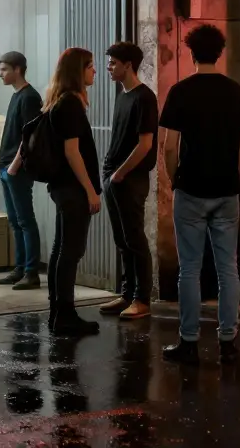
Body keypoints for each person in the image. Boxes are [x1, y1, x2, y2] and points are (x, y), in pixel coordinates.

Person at [159, 25, 240, 365]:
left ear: (191, 53)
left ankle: (189, 342)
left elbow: (169, 147)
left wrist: (174, 181)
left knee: (190, 269)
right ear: (220, 51)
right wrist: (232, 176)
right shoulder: (236, 91)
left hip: (192, 190)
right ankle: (228, 342)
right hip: (227, 191)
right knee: (229, 269)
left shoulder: (181, 92)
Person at [43, 47, 103, 337]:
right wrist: (91, 190)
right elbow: (72, 153)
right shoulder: (70, 104)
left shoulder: (61, 101)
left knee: (62, 249)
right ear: (77, 71)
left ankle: (58, 312)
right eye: (90, 66)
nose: (95, 71)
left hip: (63, 187)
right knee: (71, 251)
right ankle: (64, 315)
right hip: (72, 189)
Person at [99, 41, 158, 321]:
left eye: (113, 63)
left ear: (128, 65)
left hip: (130, 178)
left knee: (134, 238)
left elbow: (145, 144)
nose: (108, 68)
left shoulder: (144, 97)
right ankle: (126, 293)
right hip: (114, 176)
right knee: (121, 240)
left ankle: (141, 299)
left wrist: (120, 173)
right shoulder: (122, 95)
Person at [0, 51, 45, 291]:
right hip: (6, 166)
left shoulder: (29, 97)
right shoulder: (17, 96)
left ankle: (31, 272)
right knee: (15, 221)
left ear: (17, 69)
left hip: (17, 169)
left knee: (25, 220)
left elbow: (31, 137)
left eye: (4, 69)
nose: (0, 74)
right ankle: (20, 268)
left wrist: (15, 164)